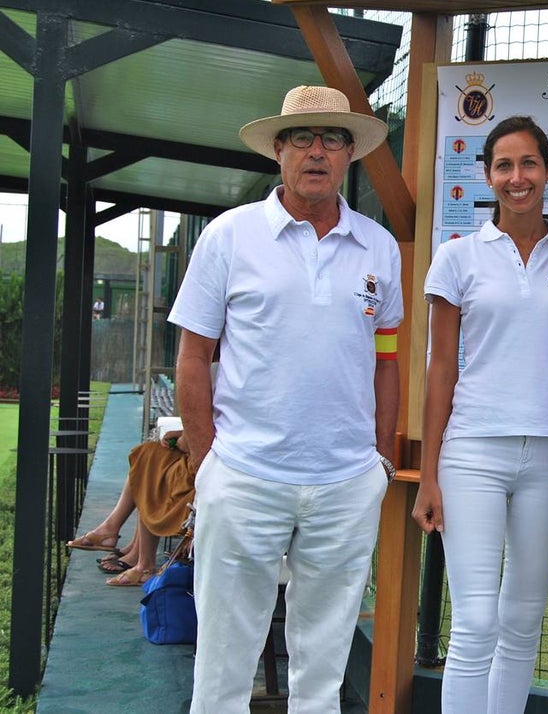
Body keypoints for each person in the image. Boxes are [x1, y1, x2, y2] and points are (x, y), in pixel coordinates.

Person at [168, 85, 403, 713]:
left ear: (351, 153)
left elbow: (387, 363)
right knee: (222, 669)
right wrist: (205, 464)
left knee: (322, 677)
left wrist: (378, 461)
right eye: (303, 137)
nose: (317, 151)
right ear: (279, 150)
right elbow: (192, 358)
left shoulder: (378, 247)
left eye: (332, 138)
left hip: (346, 486)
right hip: (244, 479)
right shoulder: (228, 236)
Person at [412, 115, 548, 714]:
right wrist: (428, 475)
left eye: (529, 164)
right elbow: (440, 368)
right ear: (486, 175)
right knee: (474, 622)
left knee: (523, 620)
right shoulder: (457, 258)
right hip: (472, 452)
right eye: (504, 165)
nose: (517, 177)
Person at [66, 427, 195, 586]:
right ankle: (130, 546)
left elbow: (200, 438)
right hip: (206, 454)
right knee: (148, 453)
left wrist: (183, 439)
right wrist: (182, 433)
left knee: (151, 467)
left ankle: (142, 562)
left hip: (206, 461)